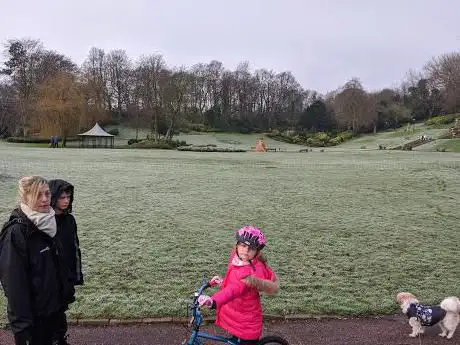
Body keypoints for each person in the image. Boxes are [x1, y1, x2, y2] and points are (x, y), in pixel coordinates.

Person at [0, 176, 73, 345]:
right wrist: (23, 329)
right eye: (38, 195)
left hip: (54, 313)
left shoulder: (52, 222)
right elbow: (14, 286)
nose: (45, 199)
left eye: (47, 193)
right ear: (25, 198)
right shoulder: (16, 233)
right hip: (33, 321)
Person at [198, 226, 279, 344]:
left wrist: (213, 301)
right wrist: (222, 281)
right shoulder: (239, 259)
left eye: (251, 248)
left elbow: (233, 290)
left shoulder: (250, 275)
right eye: (243, 245)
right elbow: (233, 279)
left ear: (257, 251)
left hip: (246, 325)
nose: (245, 250)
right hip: (239, 316)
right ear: (237, 245)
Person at [48, 179, 84, 345]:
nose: (66, 200)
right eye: (62, 197)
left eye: (68, 196)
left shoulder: (70, 220)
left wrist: (76, 275)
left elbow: (75, 249)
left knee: (61, 312)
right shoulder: (45, 222)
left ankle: (60, 340)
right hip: (49, 279)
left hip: (65, 277)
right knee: (49, 315)